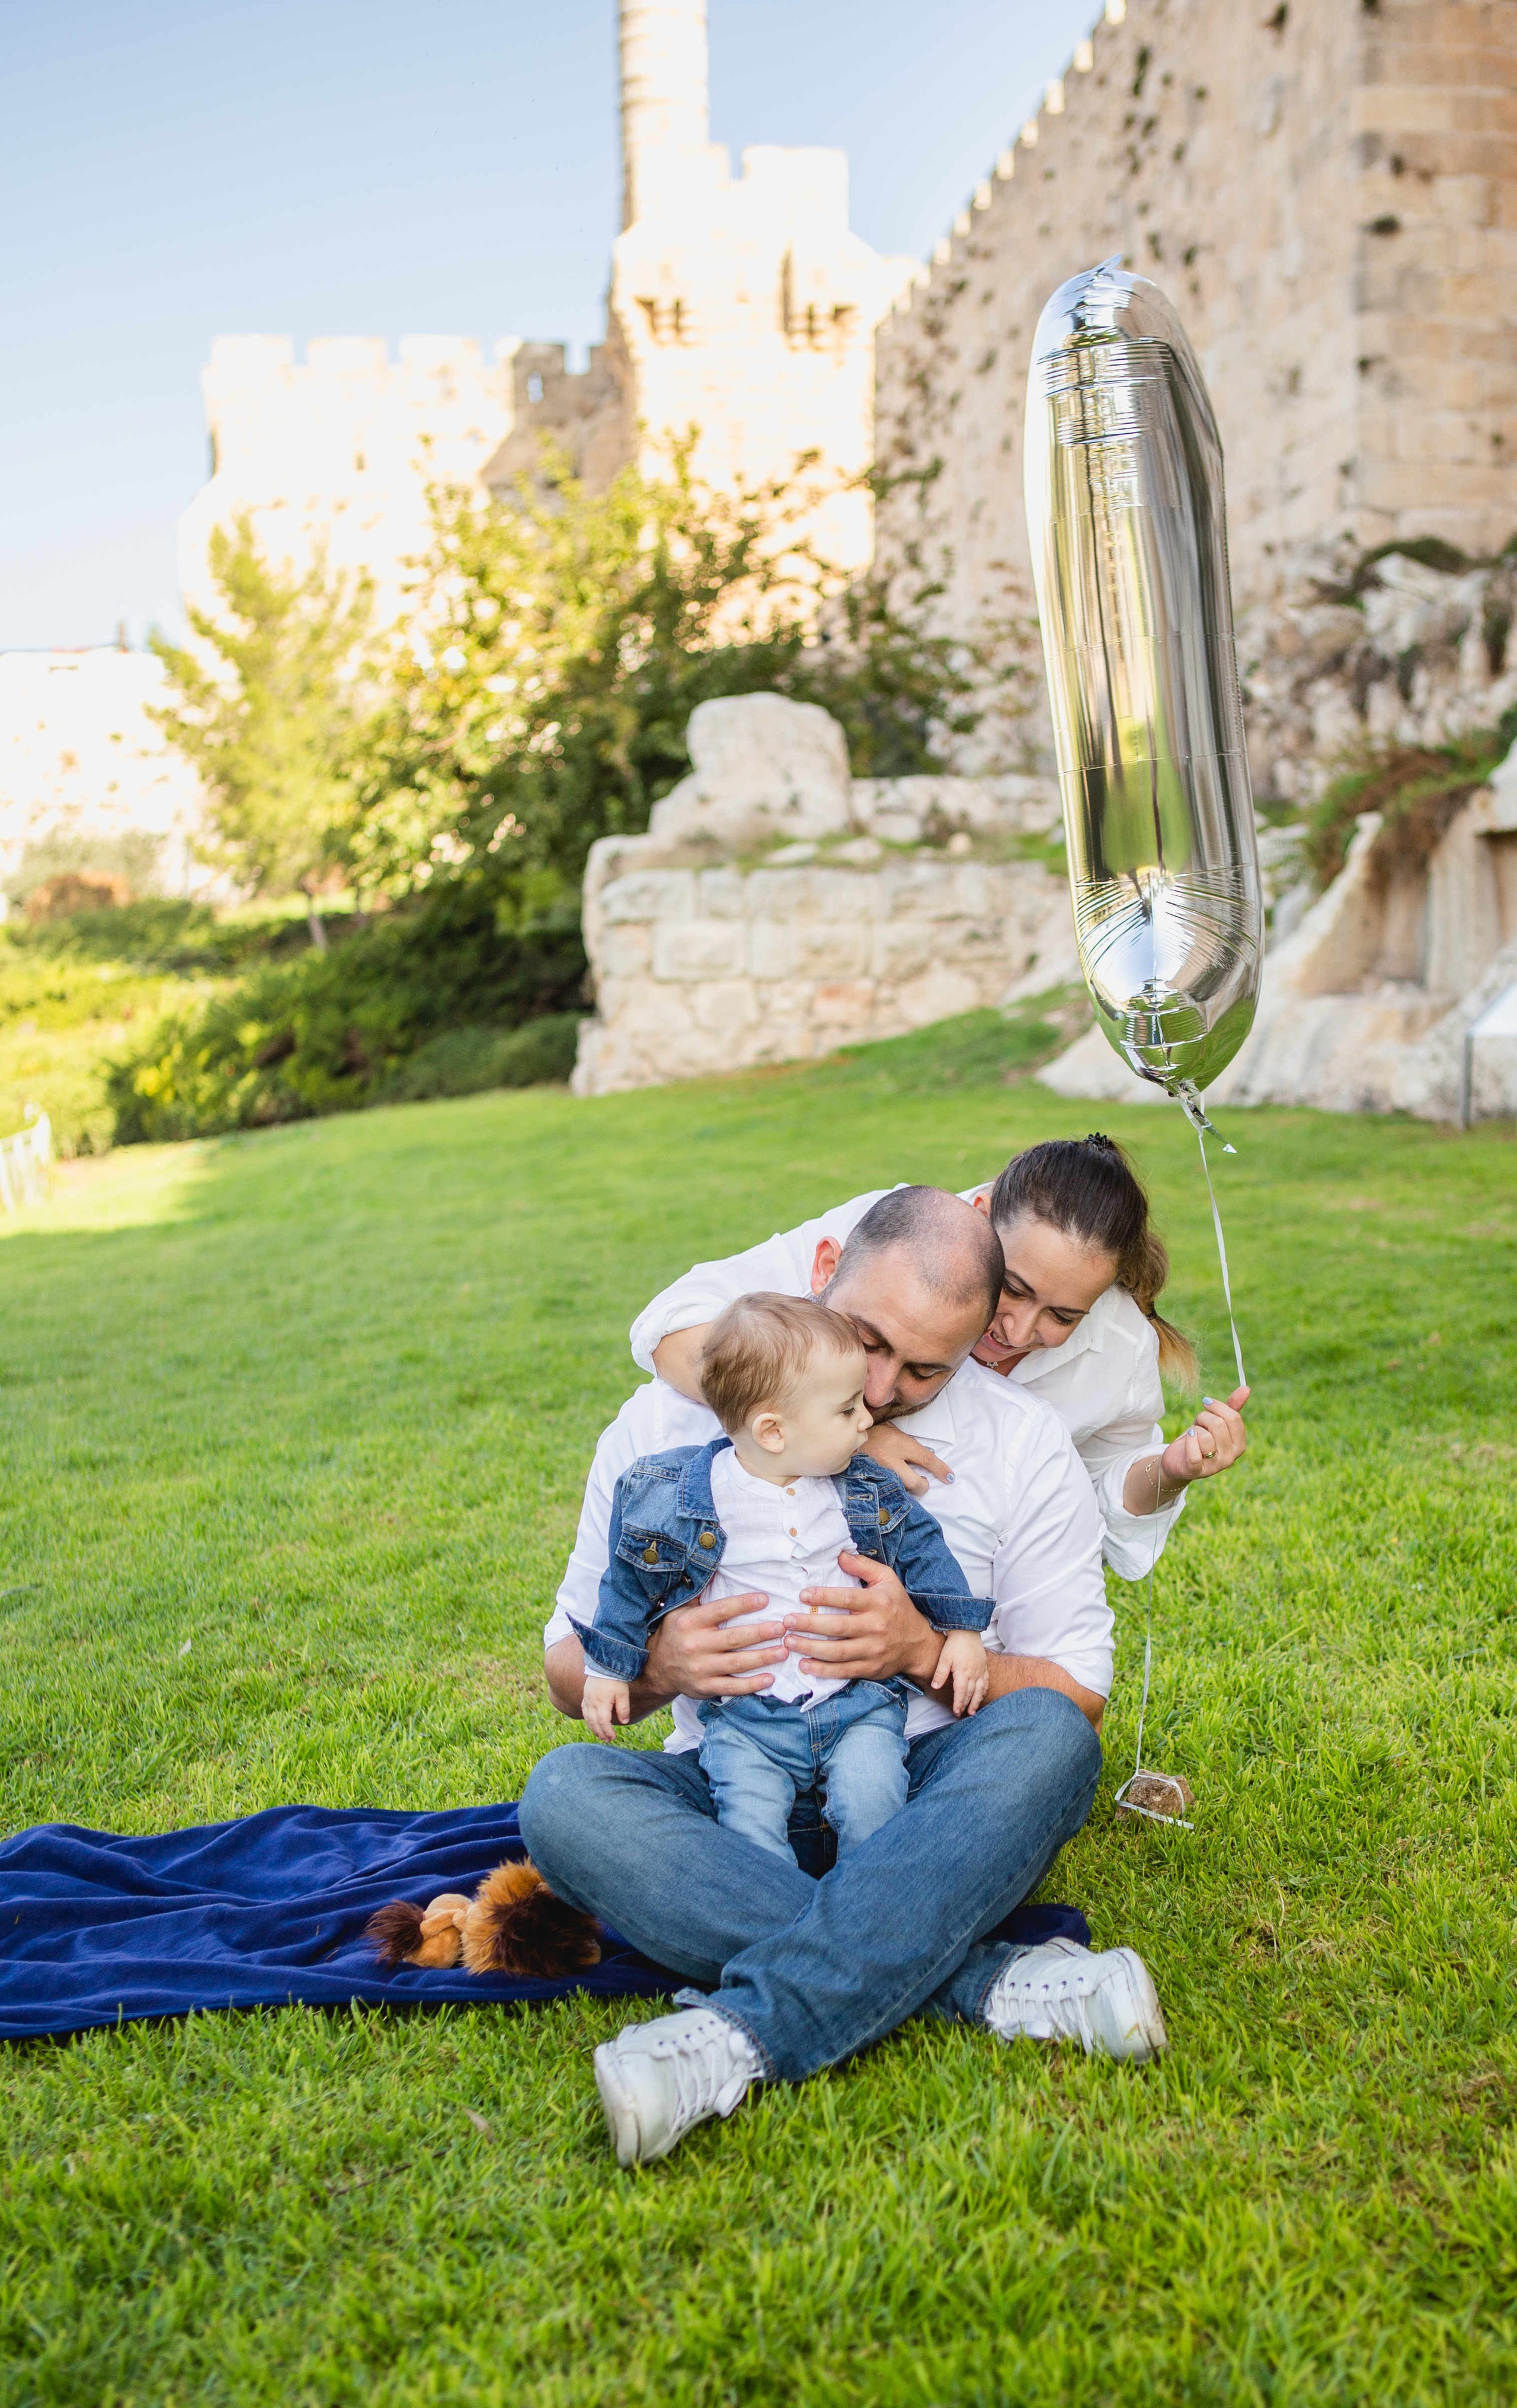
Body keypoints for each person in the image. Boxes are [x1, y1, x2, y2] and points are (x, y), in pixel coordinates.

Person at [521, 1186, 1167, 2169]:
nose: (883, 1388)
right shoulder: (665, 1426)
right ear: (825, 1268)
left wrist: (920, 1650)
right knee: (566, 1793)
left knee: (1049, 1741)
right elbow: (568, 1673)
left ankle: (734, 2040)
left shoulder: (1021, 1438)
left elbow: (1076, 1693)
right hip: (733, 1792)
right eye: (868, 1342)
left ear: (976, 1347)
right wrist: (658, 1669)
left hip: (923, 1796)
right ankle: (985, 1979)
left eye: (926, 1369)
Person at [633, 1132, 1248, 1580]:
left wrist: (1169, 1471)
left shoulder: (1119, 1346)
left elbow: (1103, 1502)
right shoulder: (896, 1236)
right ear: (981, 1216)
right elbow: (674, 1326)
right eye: (1013, 1287)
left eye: (1062, 1316)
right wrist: (842, 1430)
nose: (1018, 1329)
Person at [574, 1292, 992, 1863]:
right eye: (846, 1410)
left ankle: (869, 1892)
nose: (867, 1419)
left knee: (875, 1805)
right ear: (773, 1432)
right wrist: (608, 1670)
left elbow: (922, 1550)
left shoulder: (862, 1488)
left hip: (856, 1707)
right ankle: (774, 1899)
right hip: (747, 1720)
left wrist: (962, 1631)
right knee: (748, 1826)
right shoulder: (682, 1497)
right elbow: (627, 1586)